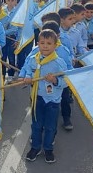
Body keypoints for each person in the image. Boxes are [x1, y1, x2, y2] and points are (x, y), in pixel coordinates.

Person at [20, 29, 67, 164]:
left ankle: (48, 148)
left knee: (50, 126)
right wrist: (28, 78)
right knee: (36, 125)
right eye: (42, 43)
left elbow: (67, 82)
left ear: (55, 45)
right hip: (37, 98)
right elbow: (29, 71)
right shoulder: (33, 60)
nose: (45, 46)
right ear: (38, 44)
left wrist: (55, 80)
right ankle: (35, 147)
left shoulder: (59, 63)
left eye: (49, 43)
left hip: (52, 101)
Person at [1, 0, 20, 81]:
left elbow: (16, 28)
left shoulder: (17, 12)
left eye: (12, 0)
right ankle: (2, 76)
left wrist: (3, 32)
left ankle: (11, 77)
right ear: (5, 1)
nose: (10, 2)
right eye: (8, 0)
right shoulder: (2, 11)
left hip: (12, 38)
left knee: (11, 58)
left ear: (16, 1)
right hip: (2, 39)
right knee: (3, 58)